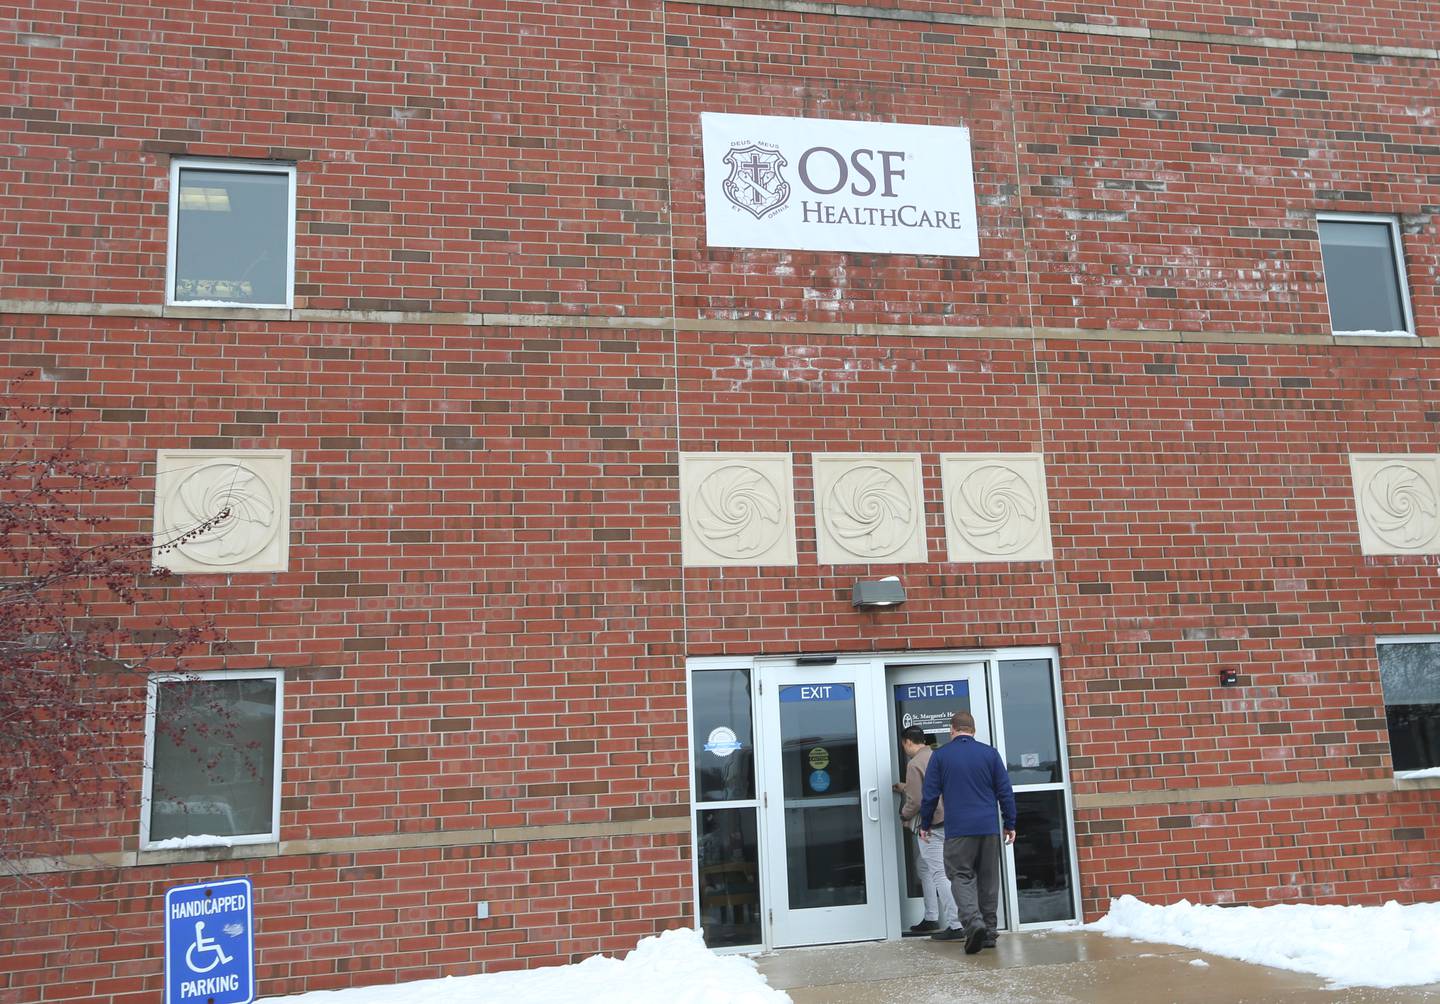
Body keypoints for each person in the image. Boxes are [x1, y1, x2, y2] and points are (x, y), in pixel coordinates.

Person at [918, 710, 1016, 954]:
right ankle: (989, 933)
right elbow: (1005, 791)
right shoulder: (990, 754)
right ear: (973, 730)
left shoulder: (941, 756)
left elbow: (930, 795)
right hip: (988, 828)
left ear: (952, 730)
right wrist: (1010, 823)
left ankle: (973, 924)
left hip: (958, 830)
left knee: (960, 876)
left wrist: (925, 823)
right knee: (988, 879)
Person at [892, 725, 961, 937]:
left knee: (939, 873)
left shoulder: (914, 764)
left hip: (933, 824)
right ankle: (931, 917)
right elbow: (929, 787)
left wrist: (904, 815)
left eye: (903, 745)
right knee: (924, 866)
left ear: (907, 742)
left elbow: (916, 800)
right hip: (951, 819)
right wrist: (905, 786)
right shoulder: (937, 757)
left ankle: (957, 924)